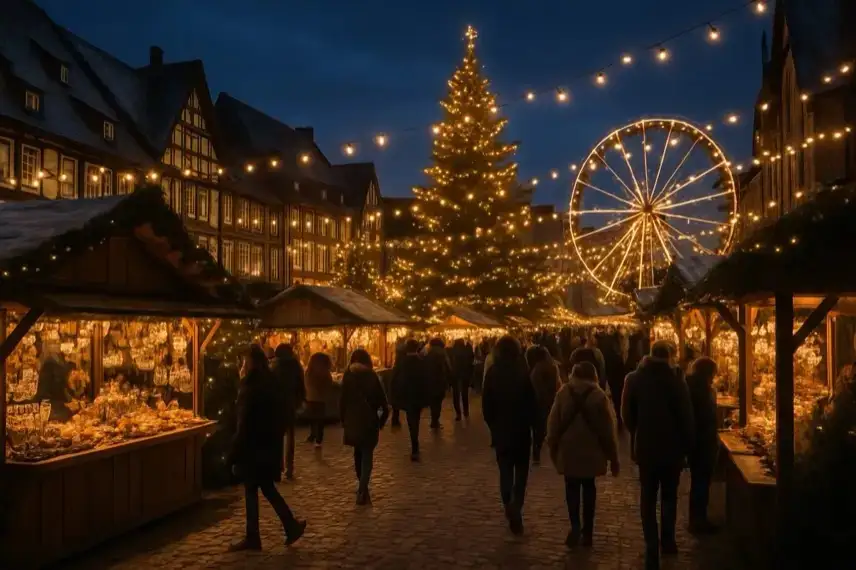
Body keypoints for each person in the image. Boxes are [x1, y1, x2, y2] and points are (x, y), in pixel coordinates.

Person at [621, 340, 694, 569]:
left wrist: (637, 431)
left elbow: (626, 414)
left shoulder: (634, 379)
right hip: (672, 449)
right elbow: (686, 415)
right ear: (670, 356)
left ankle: (651, 545)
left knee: (648, 497)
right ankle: (669, 540)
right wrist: (687, 445)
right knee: (669, 496)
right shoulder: (677, 380)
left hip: (646, 448)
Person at [228, 345, 306, 551]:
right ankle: (287, 527)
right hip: (267, 446)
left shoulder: (251, 386)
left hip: (253, 447)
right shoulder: (271, 382)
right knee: (263, 489)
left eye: (245, 360)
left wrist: (234, 451)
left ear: (251, 362)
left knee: (256, 489)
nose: (243, 364)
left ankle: (258, 535)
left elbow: (244, 423)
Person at [547, 361, 619, 548]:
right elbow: (608, 429)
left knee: (571, 488)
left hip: (569, 448)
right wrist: (613, 456)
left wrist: (552, 444)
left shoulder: (563, 393)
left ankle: (575, 525)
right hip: (591, 449)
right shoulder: (598, 396)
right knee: (589, 488)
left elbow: (553, 423)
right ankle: (588, 531)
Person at [482, 336, 537, 536]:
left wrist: (493, 426)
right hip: (521, 431)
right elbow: (532, 403)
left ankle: (508, 503)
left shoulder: (492, 373)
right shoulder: (523, 372)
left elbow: (486, 405)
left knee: (505, 471)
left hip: (502, 431)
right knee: (521, 474)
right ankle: (516, 506)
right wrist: (534, 426)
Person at [340, 349, 390, 505]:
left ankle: (362, 488)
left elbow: (342, 402)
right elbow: (383, 403)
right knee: (367, 456)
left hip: (353, 420)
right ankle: (362, 489)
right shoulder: (371, 376)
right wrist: (380, 422)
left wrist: (344, 420)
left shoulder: (348, 376)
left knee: (358, 454)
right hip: (369, 420)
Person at [685, 356, 719, 534]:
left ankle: (697, 518)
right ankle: (698, 520)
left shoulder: (691, 386)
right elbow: (704, 416)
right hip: (702, 441)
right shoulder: (701, 391)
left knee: (699, 482)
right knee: (701, 482)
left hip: (698, 441)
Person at [391, 339, 429, 461]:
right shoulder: (421, 362)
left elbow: (394, 379)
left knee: (411, 419)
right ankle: (415, 445)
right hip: (418, 396)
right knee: (415, 420)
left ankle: (415, 445)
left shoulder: (401, 363)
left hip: (406, 396)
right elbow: (426, 380)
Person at [271, 344, 306, 480]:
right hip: (290, 403)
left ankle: (278, 466)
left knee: (278, 436)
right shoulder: (295, 367)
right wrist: (300, 400)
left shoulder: (275, 367)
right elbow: (300, 386)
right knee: (290, 436)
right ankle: (289, 467)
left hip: (278, 405)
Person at [525, 345, 560, 464]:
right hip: (548, 400)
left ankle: (536, 451)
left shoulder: (536, 369)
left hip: (538, 401)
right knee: (543, 426)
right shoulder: (552, 367)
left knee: (537, 427)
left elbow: (536, 387)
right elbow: (556, 384)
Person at [304, 352, 333, 448]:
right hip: (321, 398)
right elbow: (329, 383)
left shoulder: (310, 371)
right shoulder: (325, 372)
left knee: (312, 418)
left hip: (311, 397)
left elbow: (306, 382)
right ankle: (318, 439)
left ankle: (313, 435)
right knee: (320, 419)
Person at [423, 338, 452, 429]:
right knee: (438, 402)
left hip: (430, 381)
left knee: (433, 402)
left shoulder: (427, 354)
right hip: (440, 382)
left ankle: (434, 420)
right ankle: (435, 420)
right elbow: (448, 369)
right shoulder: (443, 355)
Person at [451, 338, 474, 420]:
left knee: (456, 395)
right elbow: (471, 360)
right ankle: (466, 411)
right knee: (464, 394)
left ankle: (458, 413)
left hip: (455, 374)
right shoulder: (467, 349)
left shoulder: (453, 350)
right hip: (465, 374)